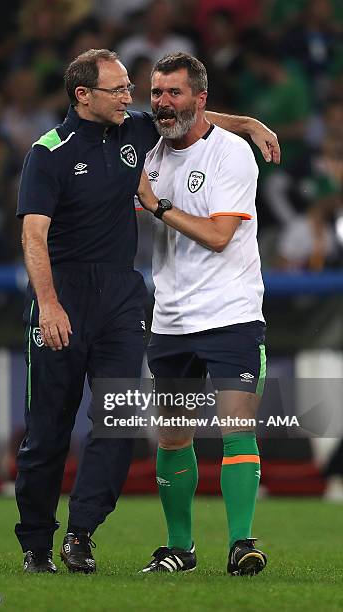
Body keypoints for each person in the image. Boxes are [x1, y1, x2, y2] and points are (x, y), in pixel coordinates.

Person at [15, 48, 279, 574]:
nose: (135, 99)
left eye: (135, 91)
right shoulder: (53, 152)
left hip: (147, 301)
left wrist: (247, 123)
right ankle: (42, 542)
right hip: (93, 302)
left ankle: (86, 534)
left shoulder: (147, 137)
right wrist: (48, 302)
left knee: (121, 423)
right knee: (51, 430)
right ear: (83, 95)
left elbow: (189, 121)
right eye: (123, 91)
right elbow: (32, 233)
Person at [136, 52, 267, 576]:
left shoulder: (232, 154)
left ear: (200, 98)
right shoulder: (148, 157)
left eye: (175, 93)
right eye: (157, 94)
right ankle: (181, 550)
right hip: (170, 320)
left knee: (237, 429)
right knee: (172, 437)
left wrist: (158, 206)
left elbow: (218, 236)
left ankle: (241, 544)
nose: (164, 104)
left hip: (231, 313)